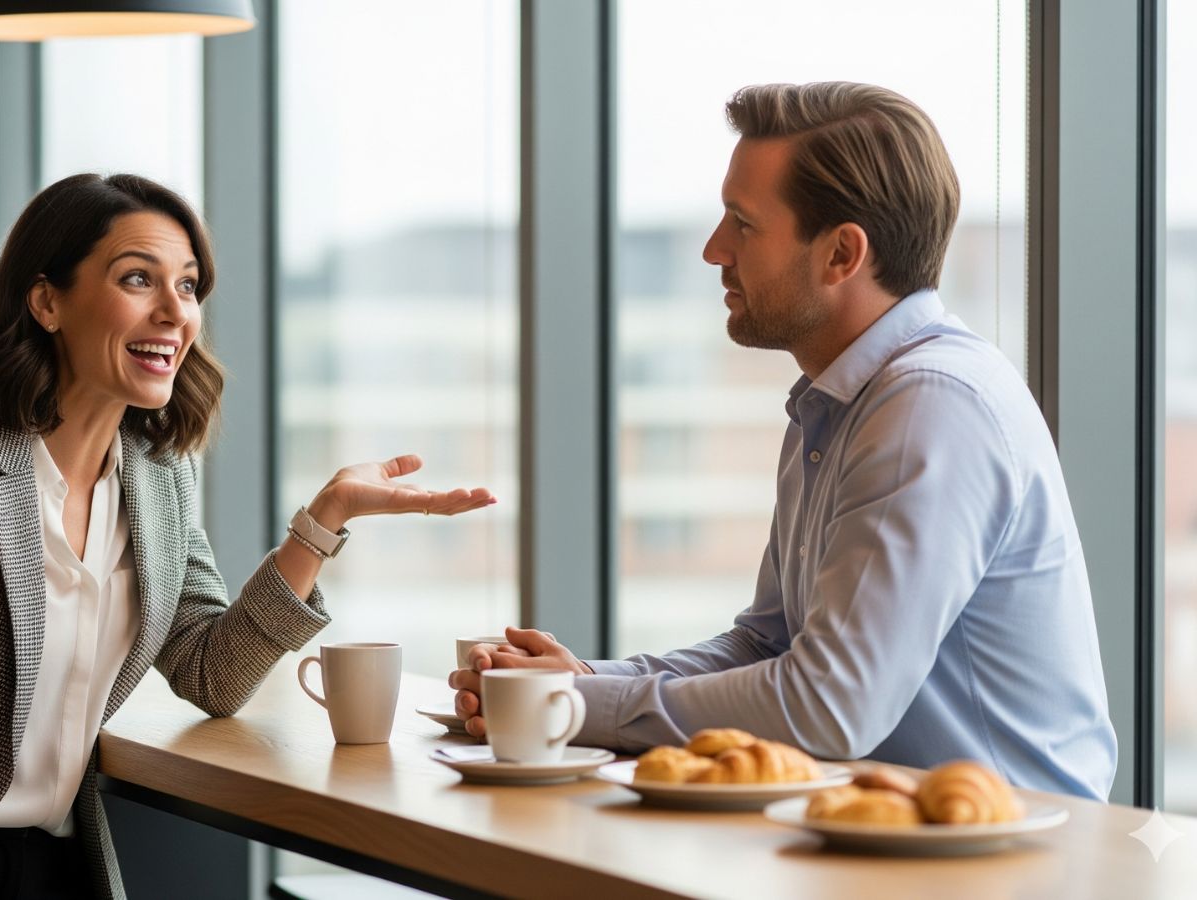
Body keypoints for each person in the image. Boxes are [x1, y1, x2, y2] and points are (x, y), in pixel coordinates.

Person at [0, 173, 496, 899]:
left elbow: (212, 674)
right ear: (47, 302)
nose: (175, 311)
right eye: (138, 279)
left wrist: (322, 522)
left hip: (59, 860)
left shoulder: (159, 477)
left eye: (188, 285)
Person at [450, 82, 1116, 800]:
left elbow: (830, 707)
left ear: (841, 254)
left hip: (1014, 862)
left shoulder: (931, 404)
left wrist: (574, 709)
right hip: (891, 846)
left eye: (742, 223)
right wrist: (579, 682)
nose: (714, 249)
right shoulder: (835, 403)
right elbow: (766, 646)